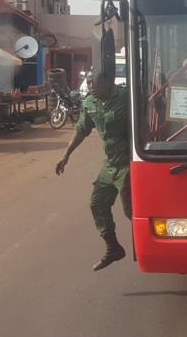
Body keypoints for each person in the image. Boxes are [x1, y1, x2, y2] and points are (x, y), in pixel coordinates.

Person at [55, 70, 131, 271]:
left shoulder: (126, 96)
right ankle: (113, 248)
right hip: (110, 165)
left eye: (93, 83)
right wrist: (66, 155)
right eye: (87, 84)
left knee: (132, 212)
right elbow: (82, 130)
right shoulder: (90, 103)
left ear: (107, 81)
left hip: (130, 164)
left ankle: (157, 247)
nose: (90, 87)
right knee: (97, 204)